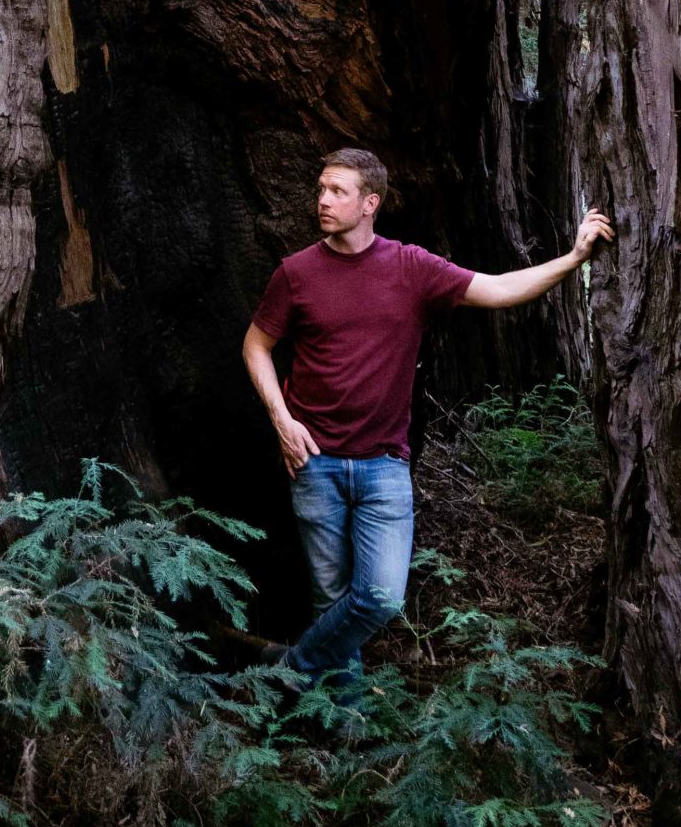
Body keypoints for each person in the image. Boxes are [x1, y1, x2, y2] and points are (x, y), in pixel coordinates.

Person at [241, 147, 609, 688]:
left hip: (384, 466)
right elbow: (256, 345)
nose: (322, 200)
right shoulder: (296, 273)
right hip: (314, 461)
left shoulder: (410, 267)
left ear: (371, 203)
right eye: (321, 189)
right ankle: (343, 722)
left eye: (337, 191)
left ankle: (290, 667)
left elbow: (498, 289)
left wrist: (574, 258)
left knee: (380, 599)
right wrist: (281, 418)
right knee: (330, 599)